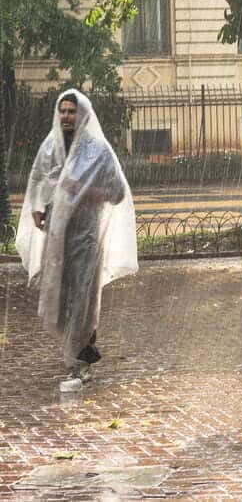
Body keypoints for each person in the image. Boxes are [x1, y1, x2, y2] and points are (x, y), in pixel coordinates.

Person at [15, 90, 137, 393]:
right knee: (63, 294)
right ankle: (73, 350)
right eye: (63, 111)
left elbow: (117, 193)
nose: (67, 116)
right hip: (58, 238)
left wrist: (81, 188)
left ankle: (82, 361)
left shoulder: (98, 150)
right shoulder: (51, 146)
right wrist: (38, 207)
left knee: (84, 295)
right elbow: (39, 179)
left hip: (87, 236)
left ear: (83, 114)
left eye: (72, 111)